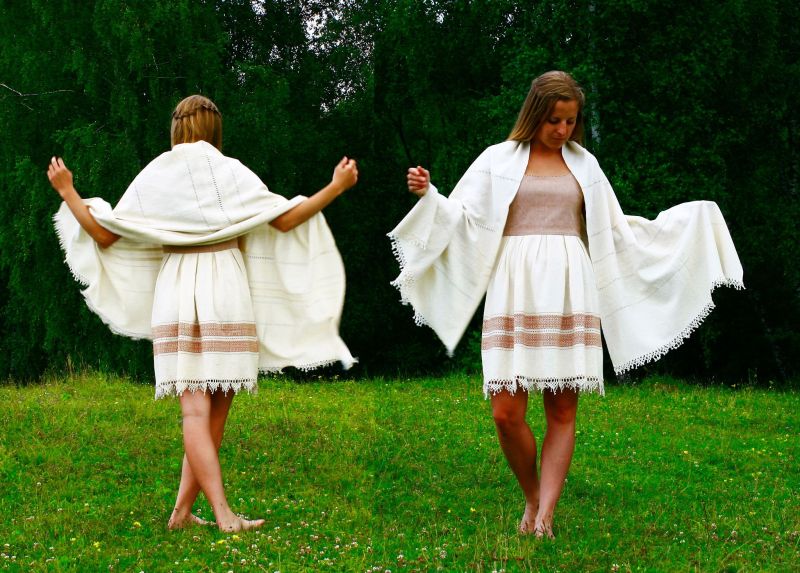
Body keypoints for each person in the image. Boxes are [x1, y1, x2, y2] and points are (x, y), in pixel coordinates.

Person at [390, 71, 743, 537]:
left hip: (570, 285)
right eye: (554, 120)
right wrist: (429, 194)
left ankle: (545, 517)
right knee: (505, 412)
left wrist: (687, 224)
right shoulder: (497, 160)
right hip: (514, 285)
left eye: (570, 121)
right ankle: (531, 496)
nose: (562, 130)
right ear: (534, 115)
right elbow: (464, 219)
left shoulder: (585, 165)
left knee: (561, 410)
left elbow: (614, 229)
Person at [48, 95, 358, 532]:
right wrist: (335, 187)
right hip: (225, 284)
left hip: (175, 286)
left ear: (177, 127)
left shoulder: (157, 173)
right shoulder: (228, 171)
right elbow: (285, 220)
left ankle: (181, 514)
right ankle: (223, 515)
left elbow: (103, 234)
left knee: (195, 411)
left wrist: (68, 191)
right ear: (214, 128)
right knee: (216, 410)